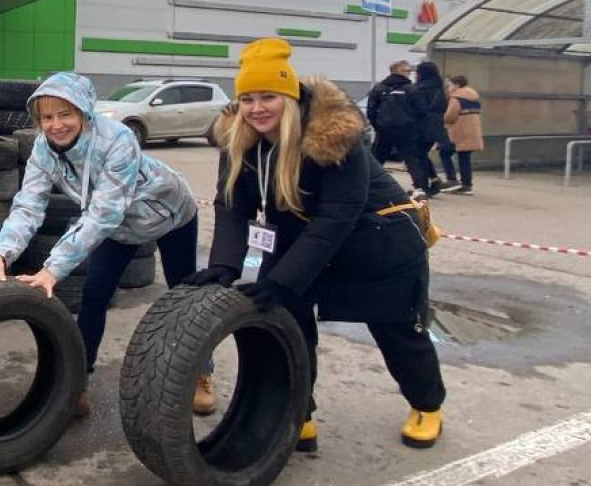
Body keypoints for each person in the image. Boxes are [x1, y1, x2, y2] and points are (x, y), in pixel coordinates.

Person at [186, 38, 445, 451]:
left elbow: (337, 216)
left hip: (377, 243)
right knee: (290, 328)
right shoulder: (240, 136)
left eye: (268, 96)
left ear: (289, 96)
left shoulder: (335, 137)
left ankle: (427, 405)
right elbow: (232, 205)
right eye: (248, 98)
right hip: (300, 242)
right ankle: (297, 414)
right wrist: (226, 265)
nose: (257, 109)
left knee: (397, 331)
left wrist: (284, 280)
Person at [0, 72, 201, 418]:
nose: (56, 125)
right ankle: (77, 383)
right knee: (93, 295)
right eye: (47, 117)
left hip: (170, 214)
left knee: (185, 296)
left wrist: (51, 269)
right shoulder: (43, 150)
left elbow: (104, 212)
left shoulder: (119, 139)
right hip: (120, 230)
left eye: (65, 114)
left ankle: (201, 371)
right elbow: (28, 205)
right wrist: (1, 254)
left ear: (84, 112)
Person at [408, 61, 455, 196]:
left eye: (417, 72)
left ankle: (422, 187)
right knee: (422, 155)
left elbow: (417, 109)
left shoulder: (419, 89)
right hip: (435, 129)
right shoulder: (440, 89)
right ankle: (433, 181)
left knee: (417, 157)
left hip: (420, 128)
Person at [365, 61, 415, 167]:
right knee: (412, 161)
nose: (409, 73)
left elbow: (371, 109)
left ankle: (369, 182)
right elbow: (419, 108)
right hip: (405, 129)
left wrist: (377, 125)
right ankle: (421, 183)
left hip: (384, 128)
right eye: (408, 71)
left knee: (376, 160)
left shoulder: (379, 87)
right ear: (399, 71)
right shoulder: (410, 88)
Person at [444, 75, 483, 195]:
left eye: (450, 85)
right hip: (473, 130)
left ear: (457, 85)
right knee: (464, 158)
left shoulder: (456, 98)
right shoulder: (474, 97)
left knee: (447, 152)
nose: (448, 88)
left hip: (460, 131)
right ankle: (465, 184)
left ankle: (462, 184)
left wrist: (444, 119)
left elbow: (450, 116)